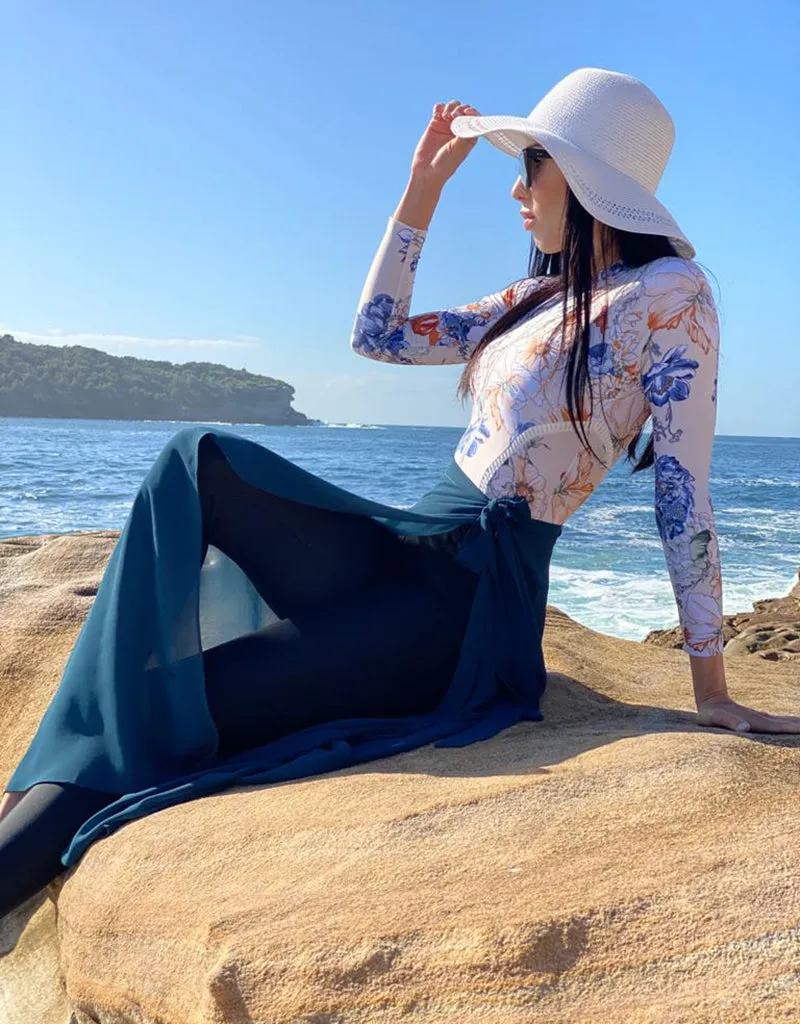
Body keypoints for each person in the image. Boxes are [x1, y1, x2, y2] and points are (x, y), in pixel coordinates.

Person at [3, 67, 799, 924]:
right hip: (401, 551)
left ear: (584, 177)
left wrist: (709, 687)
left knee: (172, 704)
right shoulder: (535, 296)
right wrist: (422, 191)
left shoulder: (672, 296)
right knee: (194, 466)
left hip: (457, 607)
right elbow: (377, 336)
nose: (516, 190)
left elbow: (683, 492)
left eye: (530, 166)